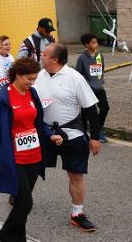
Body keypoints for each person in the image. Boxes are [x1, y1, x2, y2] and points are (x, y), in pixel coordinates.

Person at [0, 58, 61, 242]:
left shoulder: (33, 93)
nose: (32, 82)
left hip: (34, 155)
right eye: (29, 78)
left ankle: (18, 237)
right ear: (18, 75)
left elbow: (37, 122)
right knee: (25, 202)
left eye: (34, 79)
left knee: (23, 203)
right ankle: (6, 234)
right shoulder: (2, 97)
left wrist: (49, 135)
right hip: (14, 157)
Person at [34, 43, 101, 232]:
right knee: (30, 167)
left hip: (71, 133)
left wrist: (95, 137)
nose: (41, 55)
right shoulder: (39, 76)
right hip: (45, 133)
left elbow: (90, 109)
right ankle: (21, 195)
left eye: (45, 54)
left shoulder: (75, 78)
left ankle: (77, 213)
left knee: (76, 174)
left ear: (55, 59)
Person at [75, 34, 109, 143]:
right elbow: (78, 74)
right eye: (93, 42)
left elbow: (101, 70)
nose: (96, 44)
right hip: (87, 89)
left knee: (105, 107)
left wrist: (100, 81)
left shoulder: (100, 55)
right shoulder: (82, 58)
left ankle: (98, 129)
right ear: (86, 45)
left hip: (99, 88)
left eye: (96, 42)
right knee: (86, 112)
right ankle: (83, 133)